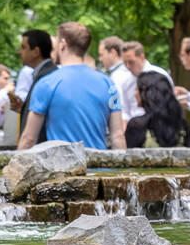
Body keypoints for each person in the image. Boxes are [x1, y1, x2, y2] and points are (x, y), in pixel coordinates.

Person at [19, 22, 125, 151]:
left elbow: (29, 138)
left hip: (62, 168)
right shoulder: (108, 83)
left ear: (63, 44)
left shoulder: (47, 83)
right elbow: (118, 136)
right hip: (99, 167)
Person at [8, 30, 56, 139]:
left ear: (36, 51)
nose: (19, 52)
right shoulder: (44, 73)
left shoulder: (46, 77)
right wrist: (24, 109)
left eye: (23, 47)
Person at [125, 72, 190, 148]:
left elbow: (131, 157)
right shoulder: (182, 125)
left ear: (147, 94)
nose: (135, 93)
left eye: (137, 89)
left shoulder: (137, 125)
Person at [119, 40, 173, 122]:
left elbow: (170, 104)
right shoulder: (126, 81)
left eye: (131, 62)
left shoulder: (160, 75)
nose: (128, 66)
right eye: (124, 63)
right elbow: (125, 110)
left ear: (142, 57)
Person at [98, 35, 133, 118]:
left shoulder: (118, 76)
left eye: (101, 55)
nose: (100, 59)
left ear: (113, 53)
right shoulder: (126, 72)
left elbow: (120, 108)